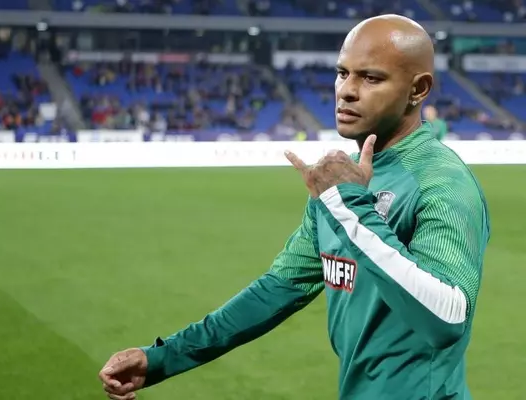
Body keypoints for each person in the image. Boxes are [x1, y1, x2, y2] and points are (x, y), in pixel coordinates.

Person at [99, 14, 490, 400]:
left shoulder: (440, 181)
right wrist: (163, 357)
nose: (346, 91)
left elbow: (447, 317)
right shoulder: (341, 183)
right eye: (342, 73)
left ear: (418, 89)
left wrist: (349, 205)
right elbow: (278, 289)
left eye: (371, 78)